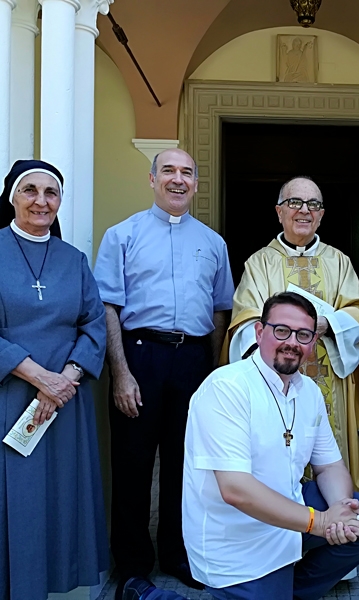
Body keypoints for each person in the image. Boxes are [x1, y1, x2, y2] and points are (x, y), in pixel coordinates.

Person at [122, 292, 359, 600]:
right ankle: (149, 596)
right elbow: (235, 489)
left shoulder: (310, 393)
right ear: (259, 332)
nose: (292, 342)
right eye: (281, 331)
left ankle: (287, 592)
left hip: (287, 520)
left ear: (313, 342)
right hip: (236, 540)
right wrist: (321, 521)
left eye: (303, 335)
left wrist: (341, 511)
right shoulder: (226, 388)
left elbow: (329, 465)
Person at [94, 149, 234, 596]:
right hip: (140, 357)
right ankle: (133, 567)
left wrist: (213, 373)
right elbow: (108, 307)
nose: (178, 180)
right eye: (169, 171)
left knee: (188, 465)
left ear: (196, 183)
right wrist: (121, 373)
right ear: (152, 179)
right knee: (133, 465)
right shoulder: (123, 235)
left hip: (193, 361)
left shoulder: (214, 243)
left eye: (187, 173)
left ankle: (177, 553)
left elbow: (219, 313)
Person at [0, 159, 108, 600]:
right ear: (12, 197)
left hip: (67, 402)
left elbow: (95, 323)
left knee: (60, 497)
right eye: (31, 191)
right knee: (19, 499)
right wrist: (39, 376)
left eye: (51, 193)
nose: (41, 201)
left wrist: (66, 377)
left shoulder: (74, 259)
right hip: (10, 397)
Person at [223, 176, 359, 490]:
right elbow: (245, 319)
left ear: (321, 215)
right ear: (279, 211)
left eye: (313, 204)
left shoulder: (339, 263)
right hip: (275, 382)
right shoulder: (260, 263)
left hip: (328, 378)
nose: (304, 210)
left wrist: (328, 325)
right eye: (295, 202)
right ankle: (281, 517)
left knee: (328, 459)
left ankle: (333, 517)